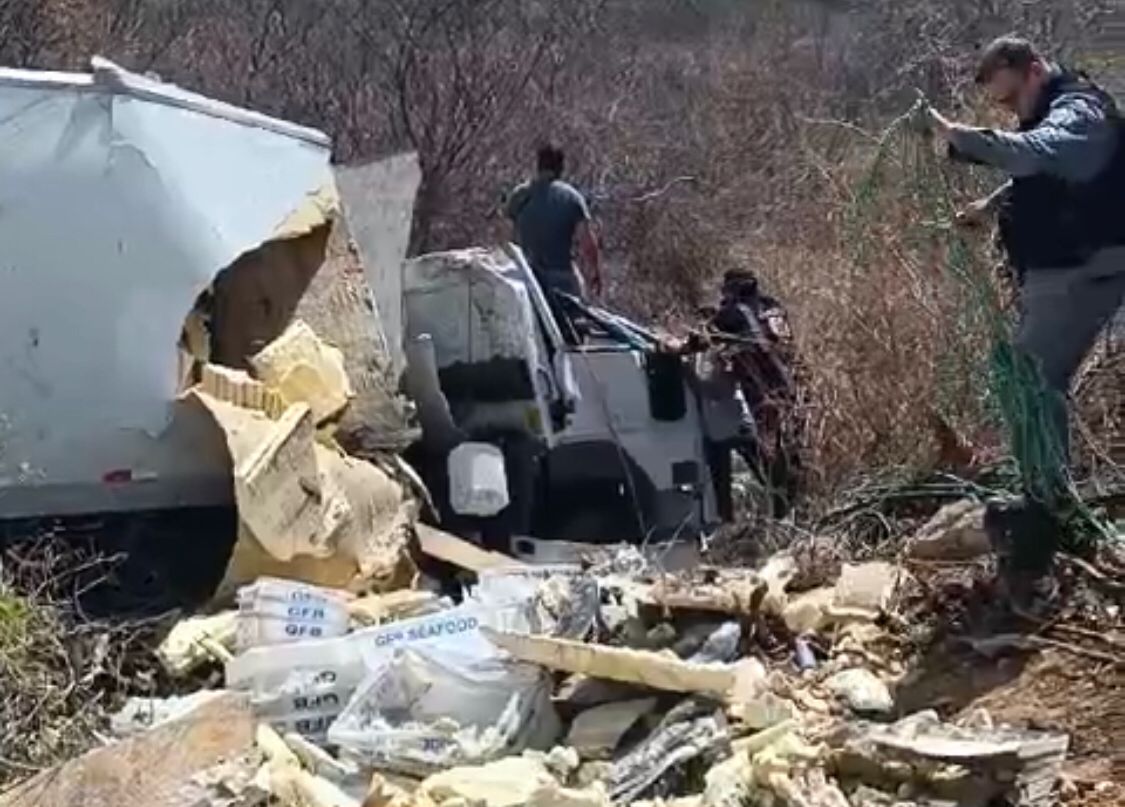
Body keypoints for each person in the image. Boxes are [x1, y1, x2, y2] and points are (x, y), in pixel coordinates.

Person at [920, 36, 1125, 600]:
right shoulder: (1059, 112)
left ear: (1033, 70)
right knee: (1029, 380)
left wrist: (961, 138)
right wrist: (990, 208)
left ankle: (1042, 518)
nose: (1010, 111)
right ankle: (1045, 504)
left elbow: (1041, 151)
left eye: (1010, 99)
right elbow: (1045, 171)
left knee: (1028, 380)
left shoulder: (1079, 111)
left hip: (1089, 269)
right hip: (1074, 269)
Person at [700, 270, 802, 520]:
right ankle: (797, 508)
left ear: (732, 289)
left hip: (764, 394)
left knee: (772, 454)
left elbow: (701, 341)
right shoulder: (772, 307)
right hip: (796, 387)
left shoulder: (731, 314)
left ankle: (783, 514)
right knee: (792, 450)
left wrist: (675, 344)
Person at [506, 144, 603, 301]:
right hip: (561, 277)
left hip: (526, 277)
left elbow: (507, 239)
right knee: (578, 309)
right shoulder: (571, 198)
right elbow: (587, 243)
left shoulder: (519, 195)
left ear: (538, 165)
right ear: (560, 168)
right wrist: (595, 271)